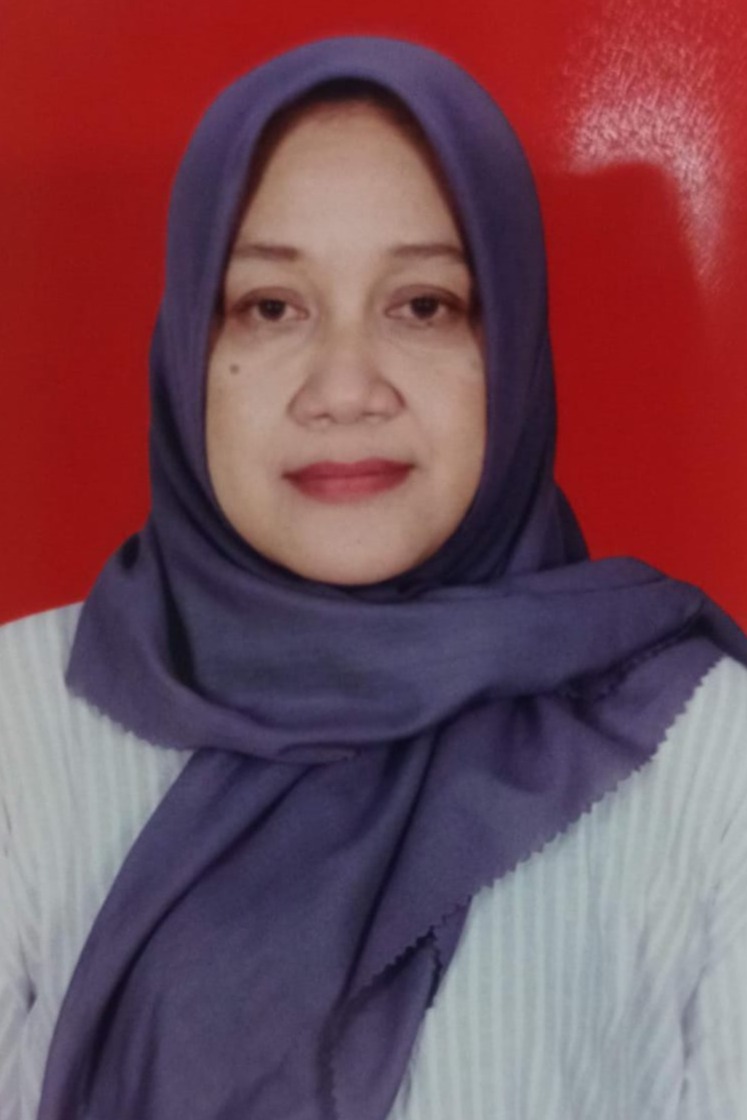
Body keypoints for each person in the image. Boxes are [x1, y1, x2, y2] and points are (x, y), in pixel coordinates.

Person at [1, 35, 746, 1120]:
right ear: (189, 351)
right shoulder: (22, 718)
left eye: (423, 305)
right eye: (271, 306)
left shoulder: (708, 755)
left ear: (509, 347)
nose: (345, 387)